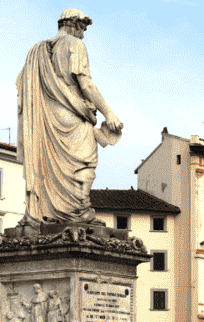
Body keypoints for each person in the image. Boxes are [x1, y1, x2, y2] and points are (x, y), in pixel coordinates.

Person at [16, 8, 123, 228]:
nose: (83, 34)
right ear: (74, 24)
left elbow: (23, 86)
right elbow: (86, 84)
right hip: (73, 116)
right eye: (83, 28)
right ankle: (78, 211)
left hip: (49, 117)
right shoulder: (75, 45)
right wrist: (108, 112)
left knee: (51, 168)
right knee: (85, 164)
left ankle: (50, 211)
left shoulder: (37, 50)